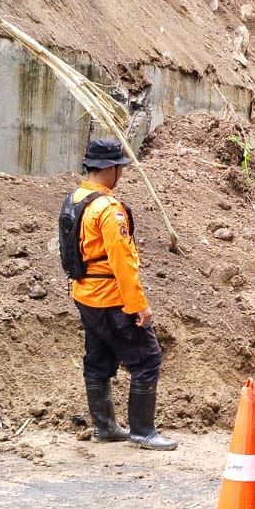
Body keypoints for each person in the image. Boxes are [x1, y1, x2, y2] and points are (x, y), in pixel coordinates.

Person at [67, 138, 177, 451]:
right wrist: (138, 305)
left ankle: (105, 427)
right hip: (112, 298)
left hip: (85, 295)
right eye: (120, 169)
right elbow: (122, 262)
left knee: (98, 359)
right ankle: (143, 431)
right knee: (147, 359)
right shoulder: (108, 209)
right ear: (110, 169)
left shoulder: (75, 199)